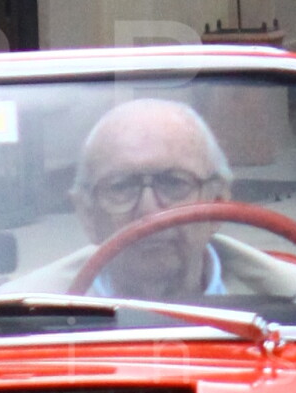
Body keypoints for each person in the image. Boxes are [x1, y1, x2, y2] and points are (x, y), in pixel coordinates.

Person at [68, 99, 238, 303]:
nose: (149, 212)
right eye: (121, 186)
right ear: (88, 214)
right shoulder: (37, 310)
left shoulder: (274, 294)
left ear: (217, 204)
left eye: (174, 183)